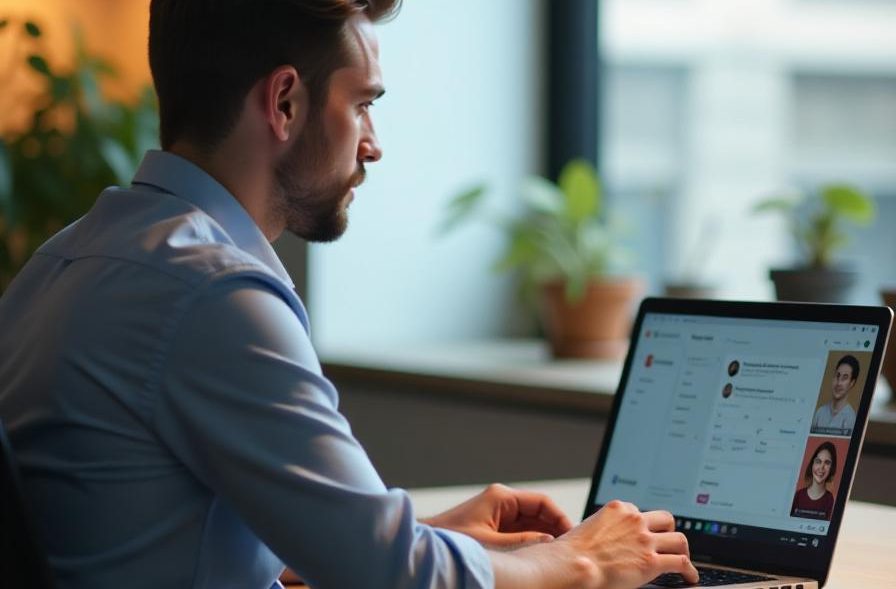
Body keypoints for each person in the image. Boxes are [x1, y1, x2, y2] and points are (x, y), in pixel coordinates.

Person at [0, 2, 698, 588]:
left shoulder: (66, 259)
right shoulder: (214, 294)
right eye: (363, 105)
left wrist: (418, 533)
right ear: (284, 102)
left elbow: (170, 537)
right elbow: (394, 576)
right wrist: (580, 558)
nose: (373, 144)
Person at [811, 355, 859, 435]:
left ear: (851, 383)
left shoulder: (851, 418)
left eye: (845, 378)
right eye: (837, 375)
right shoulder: (820, 412)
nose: (838, 383)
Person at [790, 442, 837, 520]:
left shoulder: (830, 500)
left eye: (827, 463)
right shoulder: (798, 495)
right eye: (818, 461)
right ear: (812, 464)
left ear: (832, 468)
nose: (821, 467)